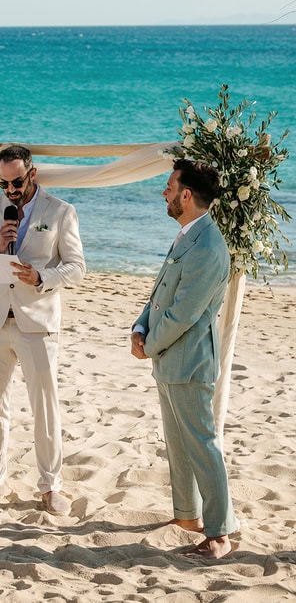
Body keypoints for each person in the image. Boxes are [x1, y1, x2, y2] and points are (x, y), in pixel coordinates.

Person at [0, 145, 86, 515]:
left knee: (45, 408)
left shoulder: (60, 211)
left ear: (32, 174)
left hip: (38, 323)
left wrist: (41, 276)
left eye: (16, 182)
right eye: (3, 183)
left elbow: (77, 267)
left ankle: (51, 486)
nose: (10, 190)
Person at [131, 158, 238, 559]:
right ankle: (187, 516)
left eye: (170, 187)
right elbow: (160, 292)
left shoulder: (208, 246)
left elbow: (184, 313)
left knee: (202, 446)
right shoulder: (187, 235)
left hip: (190, 361)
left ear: (186, 195)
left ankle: (220, 533)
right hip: (168, 357)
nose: (165, 193)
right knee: (177, 445)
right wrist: (139, 328)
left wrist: (149, 345)